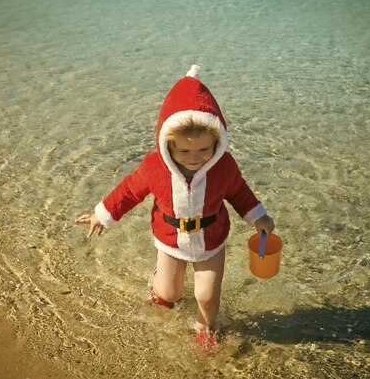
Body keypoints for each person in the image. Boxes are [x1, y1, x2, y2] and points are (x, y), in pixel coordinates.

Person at [75, 65, 275, 350]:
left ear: (217, 143)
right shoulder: (155, 167)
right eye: (184, 151)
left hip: (211, 239)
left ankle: (204, 327)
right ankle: (159, 280)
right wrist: (102, 214)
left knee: (206, 296)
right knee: (168, 293)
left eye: (204, 150)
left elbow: (239, 192)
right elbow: (129, 191)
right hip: (170, 238)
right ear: (167, 144)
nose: (195, 158)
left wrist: (259, 216)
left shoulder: (224, 166)